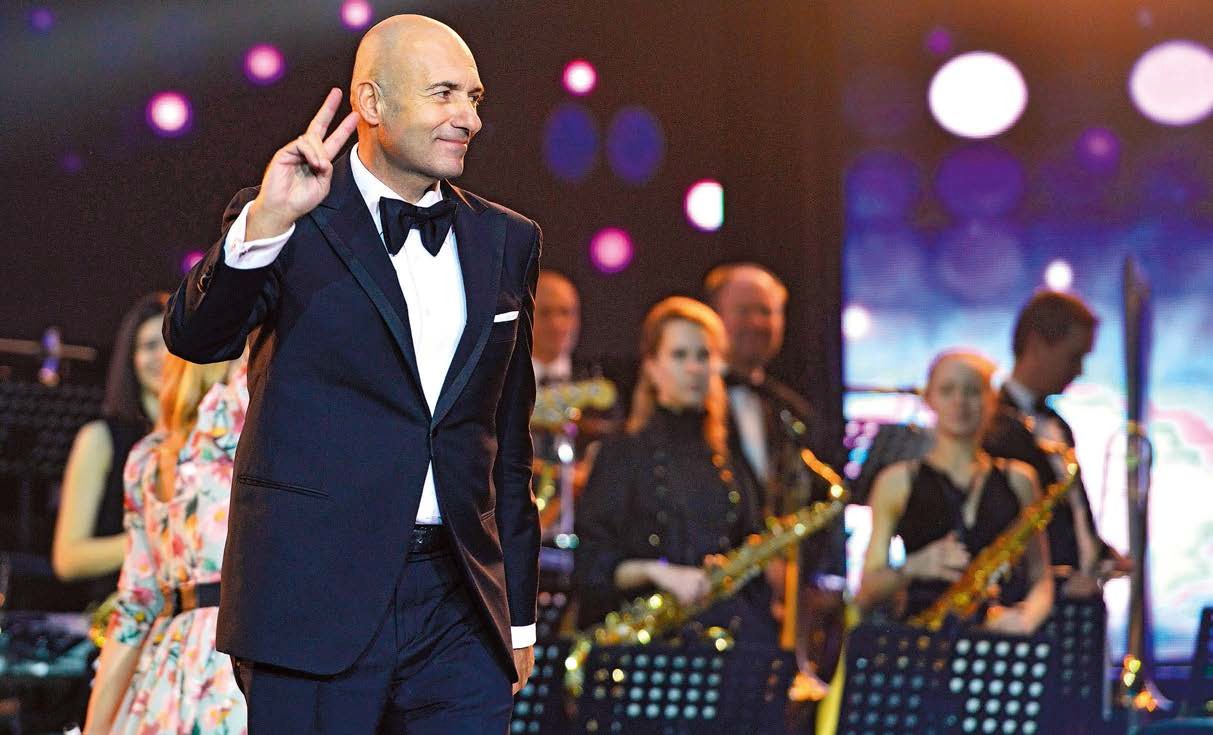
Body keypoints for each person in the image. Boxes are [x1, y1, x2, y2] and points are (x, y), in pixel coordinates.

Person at [163, 14, 541, 732]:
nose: (468, 118)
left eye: (473, 98)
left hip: (459, 604)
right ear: (371, 102)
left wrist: (516, 615)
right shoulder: (292, 215)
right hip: (311, 597)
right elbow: (197, 338)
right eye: (443, 94)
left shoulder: (507, 239)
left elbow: (506, 442)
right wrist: (266, 223)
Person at [573, 297, 777, 645]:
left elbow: (751, 548)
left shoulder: (731, 459)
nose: (695, 368)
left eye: (704, 355)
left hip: (724, 638)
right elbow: (590, 564)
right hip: (642, 645)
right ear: (652, 367)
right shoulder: (622, 454)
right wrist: (658, 573)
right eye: (680, 355)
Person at [83, 354, 245, 734]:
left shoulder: (148, 458)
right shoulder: (238, 427)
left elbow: (136, 606)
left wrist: (96, 727)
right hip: (234, 655)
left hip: (168, 668)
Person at [704, 263, 845, 679]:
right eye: (744, 310)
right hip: (711, 594)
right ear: (714, 317)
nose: (757, 323)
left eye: (767, 312)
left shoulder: (793, 412)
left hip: (777, 604)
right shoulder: (686, 406)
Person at [856, 351, 1054, 633]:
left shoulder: (1020, 479)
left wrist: (1026, 619)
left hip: (1001, 638)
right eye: (947, 391)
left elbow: (1040, 576)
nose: (959, 401)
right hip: (923, 639)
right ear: (929, 398)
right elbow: (866, 592)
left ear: (991, 400)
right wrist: (914, 566)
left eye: (972, 391)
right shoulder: (896, 481)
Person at [983, 291, 1129, 599]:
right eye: (1074, 357)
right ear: (1036, 345)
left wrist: (1100, 553)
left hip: (1079, 599)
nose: (1079, 371)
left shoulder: (1058, 424)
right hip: (1028, 602)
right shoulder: (990, 428)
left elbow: (1070, 512)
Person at [52, 292, 168, 607]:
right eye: (149, 346)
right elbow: (67, 558)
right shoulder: (100, 439)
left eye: (171, 343)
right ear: (131, 358)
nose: (163, 356)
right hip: (119, 614)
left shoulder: (209, 436)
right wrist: (156, 540)